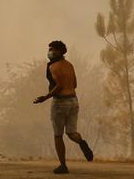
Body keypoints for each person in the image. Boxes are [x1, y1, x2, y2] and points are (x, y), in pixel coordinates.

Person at [33, 40, 94, 174]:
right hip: (73, 101)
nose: (50, 52)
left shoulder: (53, 67)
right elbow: (75, 84)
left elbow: (59, 85)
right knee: (71, 133)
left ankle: (63, 166)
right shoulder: (70, 65)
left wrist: (45, 97)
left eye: (52, 49)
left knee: (58, 135)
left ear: (59, 51)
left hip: (60, 103)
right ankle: (82, 142)